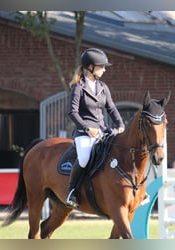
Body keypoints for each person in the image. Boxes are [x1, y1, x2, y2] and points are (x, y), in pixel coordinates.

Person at [65, 48, 125, 209]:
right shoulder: (78, 87)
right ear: (90, 67)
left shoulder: (103, 87)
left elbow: (111, 108)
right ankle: (72, 191)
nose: (104, 69)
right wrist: (86, 129)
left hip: (102, 131)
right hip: (84, 133)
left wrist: (120, 125)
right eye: (102, 66)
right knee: (84, 158)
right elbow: (72, 112)